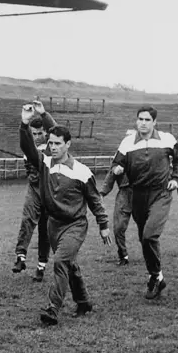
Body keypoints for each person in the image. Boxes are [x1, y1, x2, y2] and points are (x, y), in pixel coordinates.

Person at [20, 101, 110, 326]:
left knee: (60, 261)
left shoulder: (81, 171)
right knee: (70, 264)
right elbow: (28, 148)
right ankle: (83, 302)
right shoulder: (44, 163)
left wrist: (103, 223)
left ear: (68, 144)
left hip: (75, 225)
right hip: (53, 224)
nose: (53, 147)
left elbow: (94, 200)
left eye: (58, 143)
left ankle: (52, 308)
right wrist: (24, 123)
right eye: (50, 143)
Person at [111, 106, 178, 299]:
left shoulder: (167, 139)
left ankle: (155, 276)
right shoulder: (127, 142)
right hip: (138, 195)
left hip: (160, 193)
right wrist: (118, 168)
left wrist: (175, 177)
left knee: (150, 235)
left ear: (154, 122)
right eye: (140, 119)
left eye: (147, 120)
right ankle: (157, 277)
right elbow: (117, 163)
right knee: (145, 237)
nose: (143, 123)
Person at [12, 115, 55, 282]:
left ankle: (41, 266)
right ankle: (20, 257)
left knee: (45, 229)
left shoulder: (52, 148)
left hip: (50, 191)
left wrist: (44, 114)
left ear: (46, 134)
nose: (36, 137)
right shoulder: (29, 148)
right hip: (34, 189)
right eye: (34, 134)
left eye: (39, 133)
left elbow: (55, 128)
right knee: (27, 219)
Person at [100, 129, 134, 265]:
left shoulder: (144, 156)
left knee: (146, 228)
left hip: (142, 193)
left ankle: (150, 252)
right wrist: (102, 193)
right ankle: (123, 255)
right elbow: (110, 176)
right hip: (124, 194)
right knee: (119, 227)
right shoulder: (119, 158)